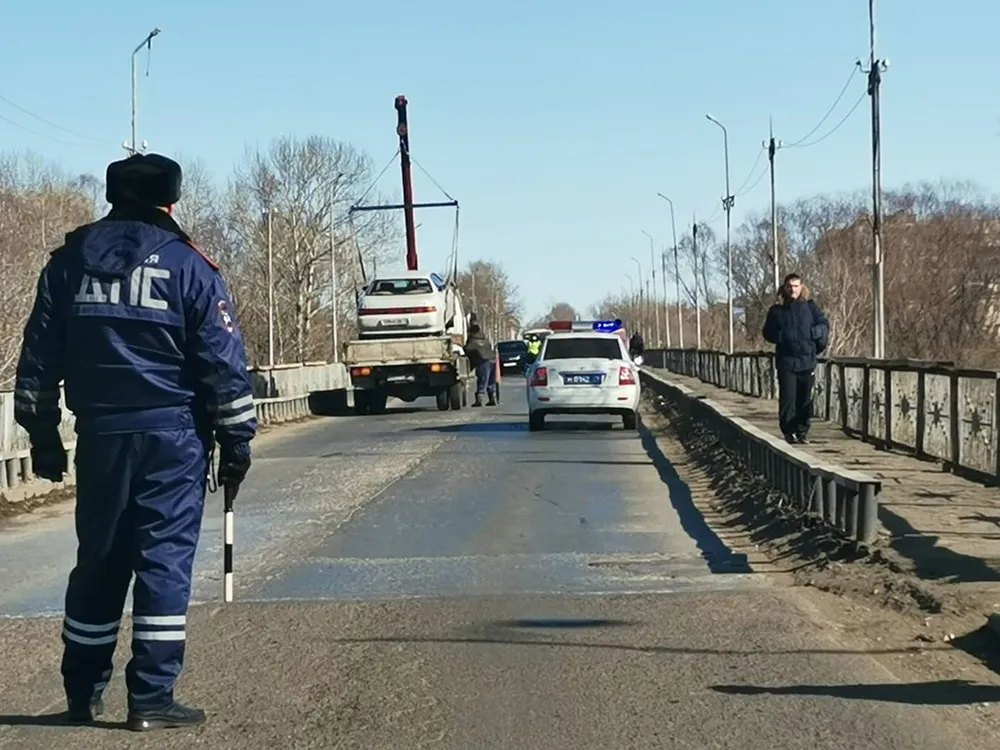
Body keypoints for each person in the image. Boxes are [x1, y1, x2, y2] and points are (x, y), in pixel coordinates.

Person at [13, 153, 257, 732]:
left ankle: (82, 690)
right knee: (163, 564)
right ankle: (150, 696)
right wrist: (237, 440)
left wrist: (44, 435)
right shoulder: (189, 266)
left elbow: (38, 358)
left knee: (98, 561)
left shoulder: (68, 263)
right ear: (169, 201)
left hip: (101, 435)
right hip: (172, 438)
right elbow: (222, 365)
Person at [762, 272, 830, 444]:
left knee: (805, 399)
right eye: (790, 286)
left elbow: (824, 324)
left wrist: (816, 334)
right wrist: (782, 336)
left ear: (802, 288)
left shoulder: (810, 307)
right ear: (784, 289)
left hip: (807, 361)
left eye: (796, 286)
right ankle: (788, 431)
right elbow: (767, 332)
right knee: (788, 399)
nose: (793, 289)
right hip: (787, 362)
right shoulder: (777, 311)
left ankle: (802, 431)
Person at [465, 323, 497, 407]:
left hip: (483, 361)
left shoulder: (472, 340)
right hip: (492, 359)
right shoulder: (484, 338)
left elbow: (468, 350)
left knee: (482, 380)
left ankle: (479, 399)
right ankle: (492, 398)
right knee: (491, 380)